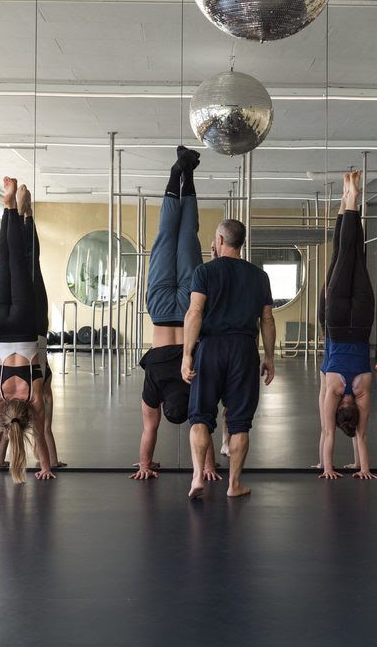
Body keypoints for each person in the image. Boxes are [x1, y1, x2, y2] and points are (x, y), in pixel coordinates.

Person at [132, 146, 221, 482]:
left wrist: (210, 466)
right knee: (167, 236)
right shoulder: (155, 386)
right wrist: (143, 464)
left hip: (186, 308)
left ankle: (189, 172)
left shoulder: (194, 382)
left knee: (188, 236)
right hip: (159, 309)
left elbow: (204, 430)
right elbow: (148, 432)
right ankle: (177, 172)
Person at [182, 218, 275, 499]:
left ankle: (198, 476)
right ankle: (234, 485)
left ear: (220, 241)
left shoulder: (204, 272)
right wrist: (269, 357)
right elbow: (267, 320)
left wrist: (187, 354)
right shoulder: (259, 276)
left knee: (199, 418)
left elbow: (194, 313)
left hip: (210, 348)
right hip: (244, 350)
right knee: (239, 423)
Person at [0, 178, 55, 484]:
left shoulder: (33, 397)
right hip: (1, 328)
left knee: (16, 262)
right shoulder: (1, 395)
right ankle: (8, 208)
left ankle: (12, 209)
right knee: (7, 263)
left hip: (22, 324)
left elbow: (41, 440)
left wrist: (45, 467)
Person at [317, 171, 377, 480]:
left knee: (354, 255)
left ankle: (350, 198)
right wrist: (329, 468)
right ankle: (350, 198)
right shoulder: (333, 389)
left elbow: (359, 438)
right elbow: (329, 435)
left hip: (361, 321)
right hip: (339, 322)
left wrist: (361, 468)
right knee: (344, 255)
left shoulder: (361, 392)